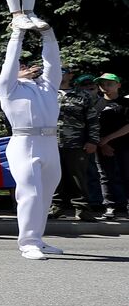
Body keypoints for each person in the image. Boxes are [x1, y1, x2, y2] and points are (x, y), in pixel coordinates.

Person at [0, 26, 65, 258]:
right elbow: (10, 61)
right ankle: (27, 243)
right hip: (24, 142)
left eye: (26, 65)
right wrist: (18, 34)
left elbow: (53, 63)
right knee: (30, 193)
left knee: (46, 193)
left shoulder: (47, 86)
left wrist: (48, 34)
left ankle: (37, 238)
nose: (24, 67)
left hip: (49, 142)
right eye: (20, 66)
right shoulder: (8, 88)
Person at [52, 70, 101, 221]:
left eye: (63, 72)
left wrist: (92, 141)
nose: (60, 75)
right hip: (50, 143)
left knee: (78, 177)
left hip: (76, 143)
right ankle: (55, 207)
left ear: (70, 75)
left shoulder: (82, 95)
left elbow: (92, 120)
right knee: (53, 177)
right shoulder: (46, 94)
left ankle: (82, 209)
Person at [95, 74, 128, 218]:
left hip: (125, 146)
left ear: (118, 85)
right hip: (102, 147)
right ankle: (110, 206)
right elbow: (91, 126)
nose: (105, 87)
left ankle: (126, 205)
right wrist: (102, 144)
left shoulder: (126, 103)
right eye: (102, 84)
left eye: (109, 84)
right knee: (106, 177)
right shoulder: (96, 104)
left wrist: (107, 139)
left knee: (126, 175)